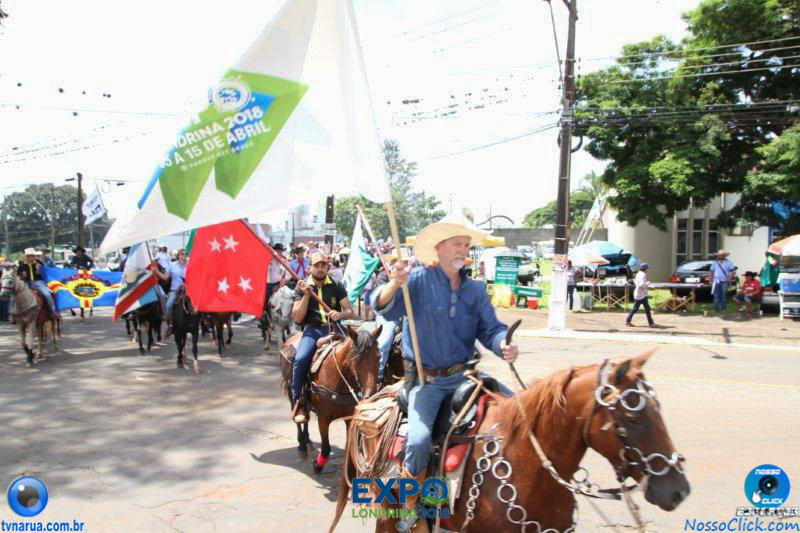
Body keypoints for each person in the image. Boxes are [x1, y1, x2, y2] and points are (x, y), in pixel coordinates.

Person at [371, 214, 518, 532]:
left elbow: (490, 329)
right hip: (428, 381)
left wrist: (503, 343)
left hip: (466, 377)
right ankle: (411, 508)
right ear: (438, 249)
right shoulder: (418, 281)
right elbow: (381, 305)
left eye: (466, 245)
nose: (462, 249)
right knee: (420, 439)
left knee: (519, 411)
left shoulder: (476, 290)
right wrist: (395, 282)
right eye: (456, 244)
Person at [289, 252, 354, 423]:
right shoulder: (301, 286)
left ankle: (359, 394)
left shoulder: (336, 285)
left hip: (335, 328)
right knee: (301, 359)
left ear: (327, 267)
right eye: (316, 266)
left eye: (323, 265)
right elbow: (296, 318)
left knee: (358, 354)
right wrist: (305, 295)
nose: (320, 269)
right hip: (313, 329)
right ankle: (299, 401)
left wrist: (339, 314)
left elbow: (350, 311)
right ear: (310, 268)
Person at [17, 248, 57, 316]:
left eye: (32, 255)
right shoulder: (22, 265)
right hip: (26, 282)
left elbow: (45, 274)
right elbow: (18, 276)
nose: (31, 257)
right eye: (29, 256)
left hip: (39, 282)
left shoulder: (39, 263)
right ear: (26, 257)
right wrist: (22, 276)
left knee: (47, 294)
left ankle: (53, 311)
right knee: (17, 296)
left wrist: (40, 270)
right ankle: (15, 313)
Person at [626, 262, 655, 327]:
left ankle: (628, 320)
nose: (647, 269)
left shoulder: (638, 273)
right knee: (647, 309)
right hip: (642, 295)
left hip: (638, 294)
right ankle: (651, 323)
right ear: (644, 268)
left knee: (635, 308)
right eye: (646, 268)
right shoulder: (643, 275)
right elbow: (641, 285)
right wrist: (647, 283)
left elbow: (637, 283)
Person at [164, 249, 188, 323]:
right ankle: (169, 322)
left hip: (188, 290)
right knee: (168, 305)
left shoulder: (189, 265)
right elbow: (165, 277)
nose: (184, 256)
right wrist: (156, 271)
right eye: (182, 254)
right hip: (175, 291)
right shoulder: (172, 265)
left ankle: (204, 322)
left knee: (197, 306)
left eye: (185, 254)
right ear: (178, 255)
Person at [709, 249, 737, 313]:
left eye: (721, 255)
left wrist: (729, 278)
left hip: (724, 281)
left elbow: (733, 271)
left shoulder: (729, 262)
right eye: (719, 255)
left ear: (724, 255)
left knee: (723, 295)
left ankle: (723, 309)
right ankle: (715, 309)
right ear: (718, 255)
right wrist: (710, 280)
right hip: (716, 281)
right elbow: (711, 272)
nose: (720, 256)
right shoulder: (715, 262)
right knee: (716, 296)